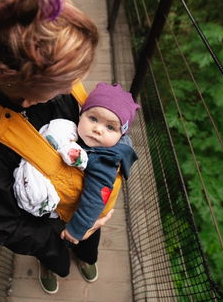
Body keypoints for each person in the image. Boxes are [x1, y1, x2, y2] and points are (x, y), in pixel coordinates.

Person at [0, 0, 112, 295]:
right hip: (45, 227)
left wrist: (93, 216)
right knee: (55, 255)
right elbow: (4, 224)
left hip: (86, 200)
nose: (74, 87)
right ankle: (54, 262)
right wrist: (66, 232)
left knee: (89, 243)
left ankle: (86, 255)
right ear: (30, 91)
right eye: (63, 83)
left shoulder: (62, 89)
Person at [13, 83, 140, 250]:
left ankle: (87, 260)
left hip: (86, 217)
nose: (97, 129)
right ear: (81, 115)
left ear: (120, 135)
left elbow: (95, 198)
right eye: (93, 118)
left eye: (110, 127)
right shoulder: (81, 137)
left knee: (86, 246)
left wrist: (77, 230)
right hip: (72, 207)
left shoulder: (104, 161)